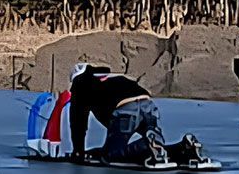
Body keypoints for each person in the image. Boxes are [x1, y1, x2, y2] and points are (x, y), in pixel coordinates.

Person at [67, 64, 205, 167]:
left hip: (126, 110)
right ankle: (183, 148)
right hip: (148, 105)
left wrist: (78, 152)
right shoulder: (109, 77)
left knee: (111, 156)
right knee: (156, 145)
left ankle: (145, 145)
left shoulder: (80, 85)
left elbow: (78, 122)